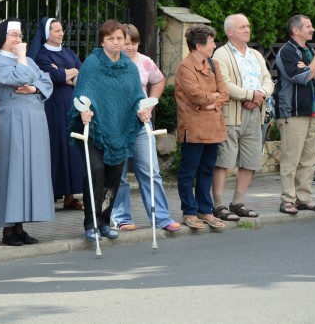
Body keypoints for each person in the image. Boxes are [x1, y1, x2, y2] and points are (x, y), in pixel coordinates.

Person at [68, 20, 150, 241]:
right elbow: (80, 94)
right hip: (95, 129)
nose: (116, 42)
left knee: (113, 179)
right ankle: (91, 224)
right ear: (102, 40)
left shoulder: (130, 68)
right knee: (96, 173)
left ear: (125, 41)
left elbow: (137, 98)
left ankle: (104, 221)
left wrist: (143, 112)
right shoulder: (92, 64)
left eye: (119, 39)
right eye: (111, 38)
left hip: (120, 130)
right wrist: (83, 112)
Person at [0, 18, 55, 246]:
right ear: (2, 38)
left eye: (21, 35)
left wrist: (34, 88)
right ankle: (8, 229)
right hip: (12, 119)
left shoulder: (28, 62)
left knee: (29, 172)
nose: (19, 39)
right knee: (12, 170)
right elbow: (21, 76)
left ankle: (20, 226)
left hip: (35, 120)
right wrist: (24, 60)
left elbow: (47, 82)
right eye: (14, 35)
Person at [109, 24, 181, 232]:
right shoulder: (110, 63)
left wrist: (151, 102)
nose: (129, 48)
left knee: (151, 172)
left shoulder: (145, 62)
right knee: (118, 174)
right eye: (125, 43)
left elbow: (158, 81)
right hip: (116, 125)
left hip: (140, 123)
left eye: (133, 43)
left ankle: (161, 217)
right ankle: (122, 217)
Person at [211, 14, 274, 221]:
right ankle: (218, 205)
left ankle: (237, 202)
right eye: (242, 27)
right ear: (230, 32)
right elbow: (224, 84)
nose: (247, 29)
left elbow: (268, 80)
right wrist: (250, 95)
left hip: (255, 113)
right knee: (224, 160)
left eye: (248, 25)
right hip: (231, 115)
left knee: (250, 160)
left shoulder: (255, 54)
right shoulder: (221, 54)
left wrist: (260, 95)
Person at [175, 24, 229, 230]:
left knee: (207, 170)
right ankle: (189, 212)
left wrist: (209, 102)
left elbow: (224, 93)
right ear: (198, 45)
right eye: (211, 42)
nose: (215, 45)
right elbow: (195, 95)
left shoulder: (213, 64)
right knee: (189, 171)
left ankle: (205, 211)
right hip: (194, 128)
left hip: (213, 126)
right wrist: (209, 100)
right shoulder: (185, 67)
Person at [274, 15, 315, 215]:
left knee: (309, 158)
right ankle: (287, 200)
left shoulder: (309, 50)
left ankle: (304, 198)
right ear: (296, 30)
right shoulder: (287, 51)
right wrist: (314, 62)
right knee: (291, 159)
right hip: (293, 112)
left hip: (312, 112)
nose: (312, 29)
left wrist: (310, 67)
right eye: (308, 26)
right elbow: (302, 78)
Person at [29, 17, 86, 210]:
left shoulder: (69, 52)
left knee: (71, 148)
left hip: (71, 106)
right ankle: (50, 194)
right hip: (52, 108)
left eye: (62, 30)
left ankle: (70, 196)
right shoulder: (41, 55)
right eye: (56, 31)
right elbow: (51, 77)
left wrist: (65, 73)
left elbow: (82, 72)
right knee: (55, 147)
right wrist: (67, 73)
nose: (61, 33)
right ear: (47, 33)